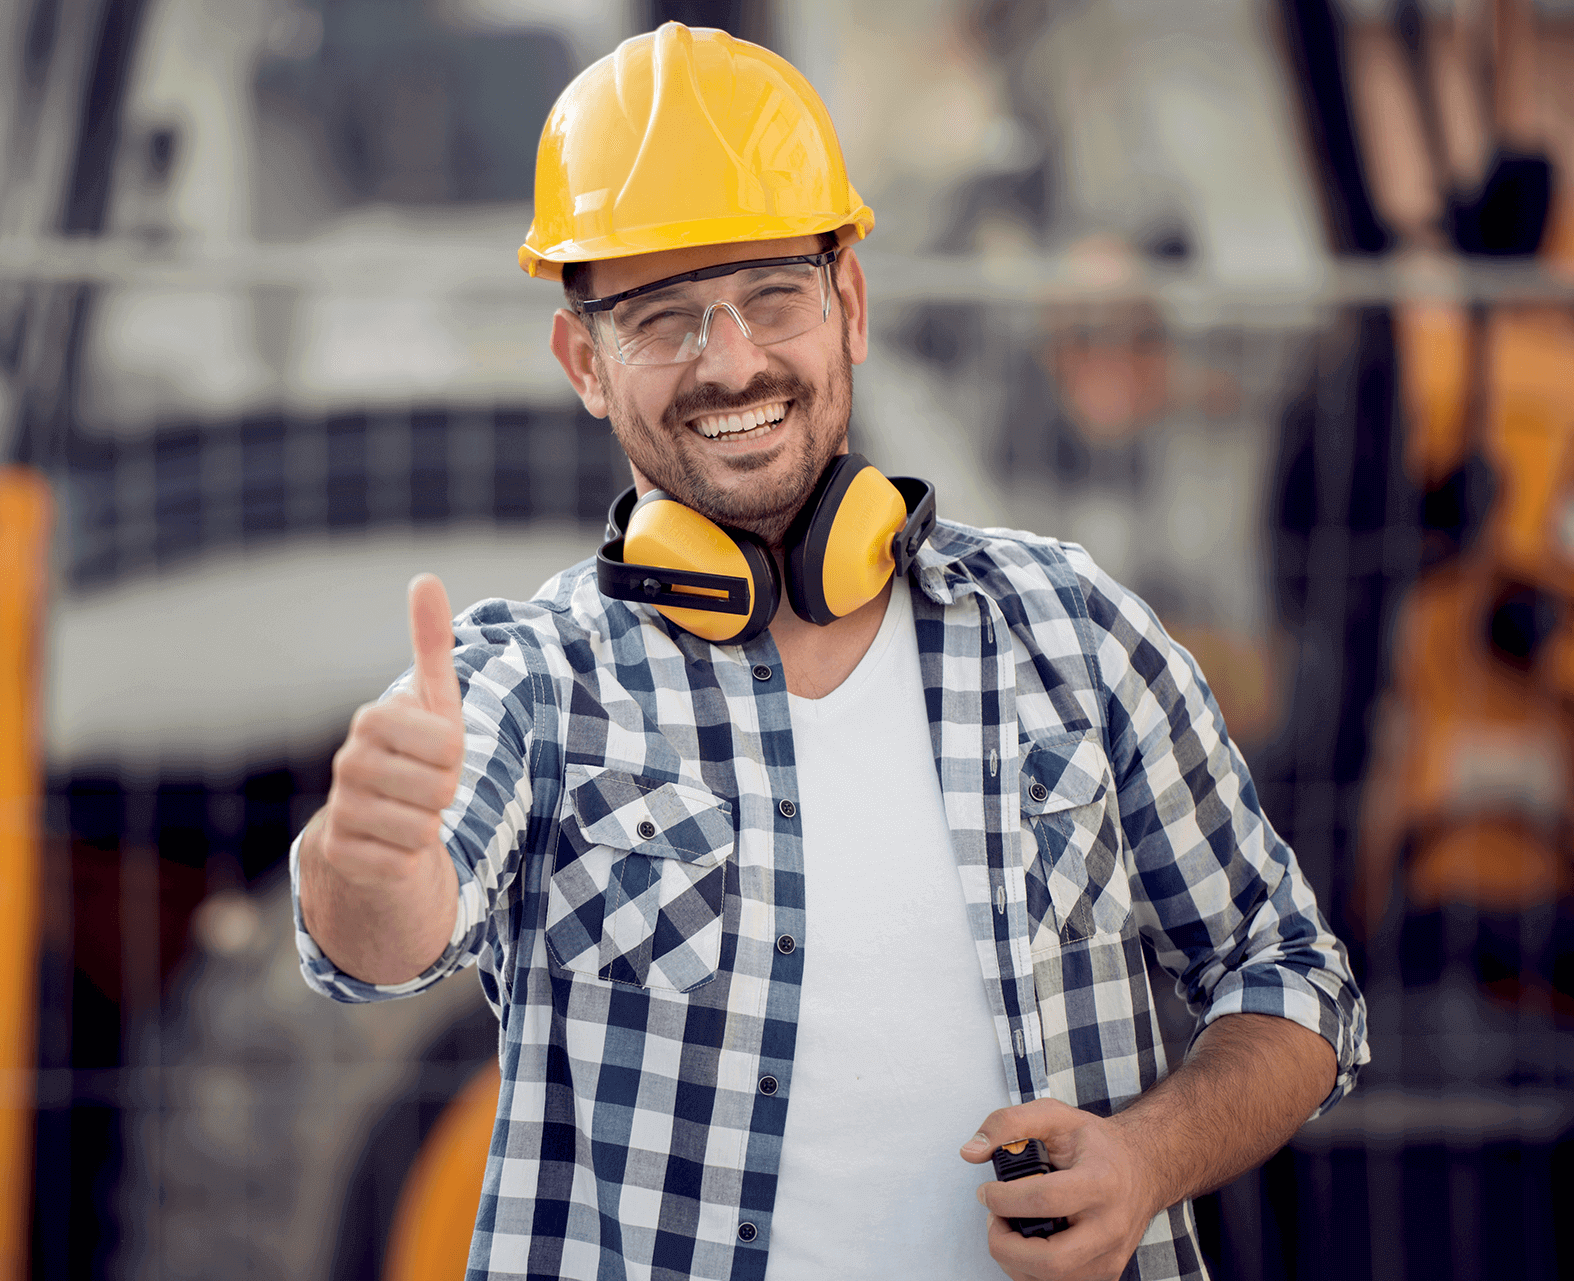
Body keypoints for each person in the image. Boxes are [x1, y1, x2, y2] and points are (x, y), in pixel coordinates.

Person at [293, 22, 1366, 1281]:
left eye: (770, 296)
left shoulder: (1073, 636)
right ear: (585, 363)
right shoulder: (531, 681)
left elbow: (1295, 977)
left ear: (848, 303)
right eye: (662, 318)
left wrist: (1149, 1158)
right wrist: (367, 858)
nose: (731, 359)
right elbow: (378, 945)